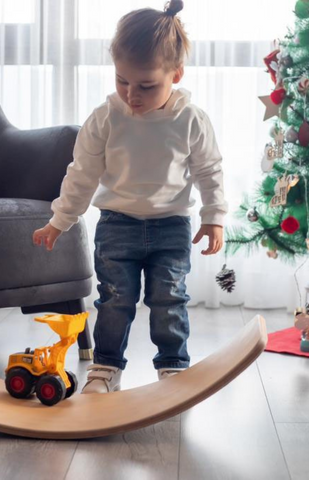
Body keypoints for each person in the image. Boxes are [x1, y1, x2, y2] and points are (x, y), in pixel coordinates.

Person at [32, 0, 227, 394]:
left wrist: (214, 216)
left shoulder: (191, 119)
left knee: (169, 300)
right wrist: (60, 220)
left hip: (172, 227)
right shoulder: (106, 117)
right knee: (114, 301)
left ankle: (172, 367)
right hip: (117, 226)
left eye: (146, 85)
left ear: (176, 74)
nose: (131, 94)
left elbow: (209, 170)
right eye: (122, 81)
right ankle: (105, 368)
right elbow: (82, 174)